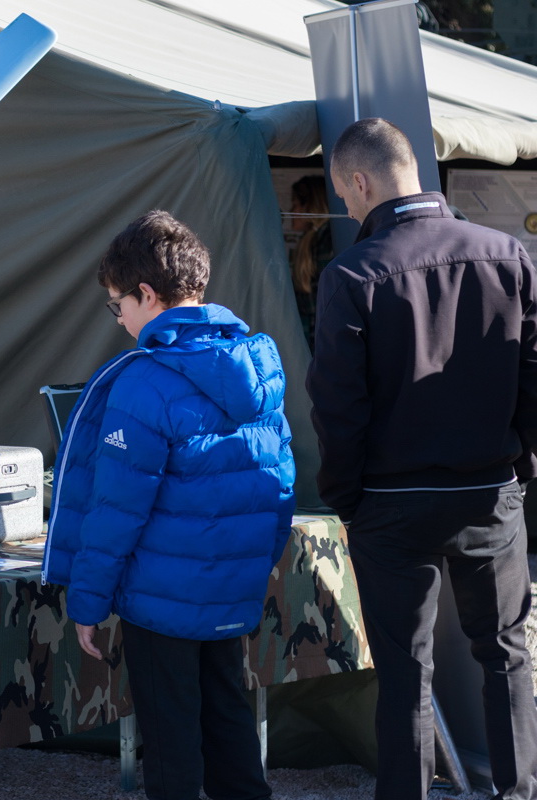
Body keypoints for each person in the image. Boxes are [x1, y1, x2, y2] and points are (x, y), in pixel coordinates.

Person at [306, 117, 537, 800]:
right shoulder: (509, 253)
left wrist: (346, 497)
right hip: (489, 487)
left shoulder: (350, 274)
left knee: (406, 672)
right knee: (507, 656)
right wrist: (518, 463)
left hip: (391, 502)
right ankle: (519, 794)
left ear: (360, 180)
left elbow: (338, 406)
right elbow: (534, 373)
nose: (345, 209)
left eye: (345, 195)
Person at [45, 210, 296, 800]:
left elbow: (116, 510)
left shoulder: (144, 378)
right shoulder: (258, 366)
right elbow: (280, 484)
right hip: (229, 588)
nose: (120, 319)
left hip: (158, 598)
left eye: (118, 305)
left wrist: (87, 600)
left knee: (170, 737)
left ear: (147, 294)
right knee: (229, 717)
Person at [287, 174, 334, 353]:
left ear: (311, 207)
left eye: (296, 204)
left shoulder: (325, 241)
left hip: (320, 343)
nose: (291, 210)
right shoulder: (312, 240)